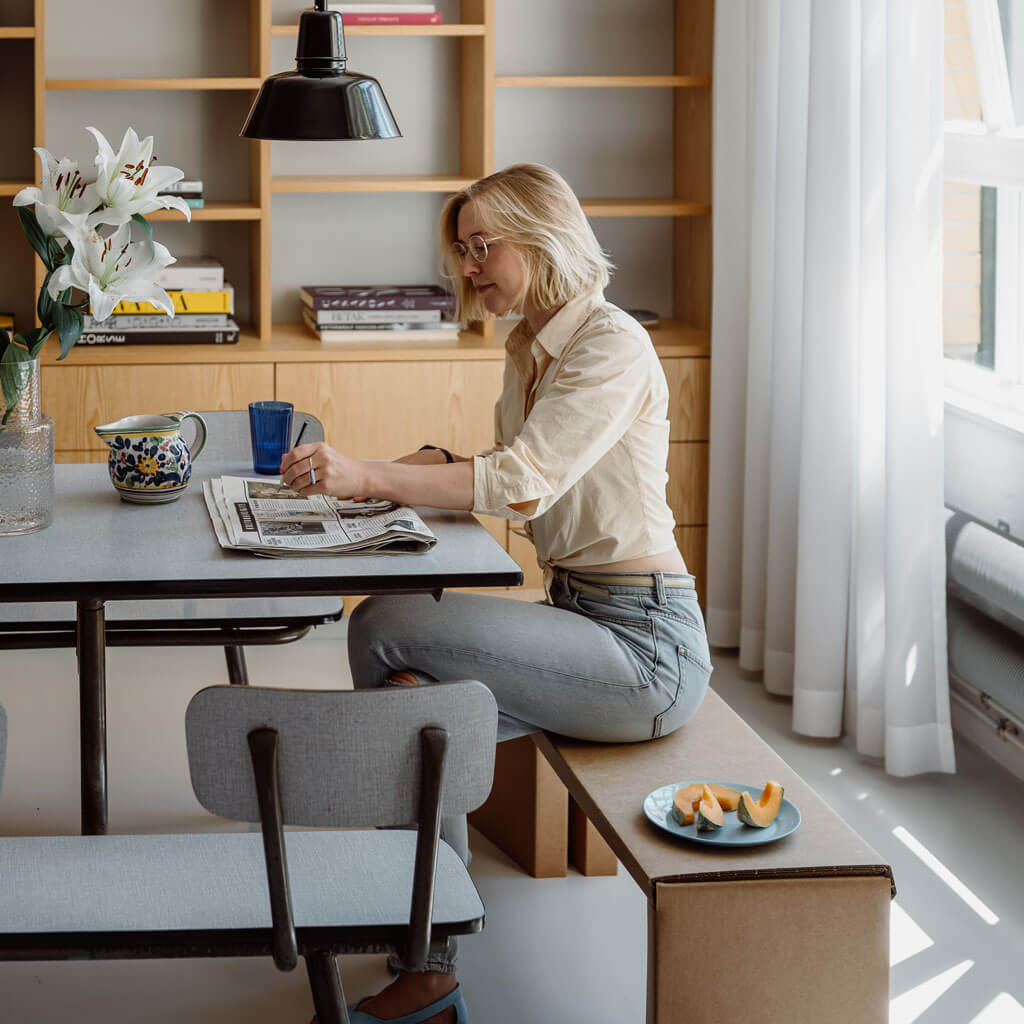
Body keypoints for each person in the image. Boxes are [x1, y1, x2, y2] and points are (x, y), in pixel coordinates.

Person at [280, 163, 713, 1024]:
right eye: (463, 251)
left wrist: (372, 473)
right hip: (582, 616)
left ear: (543, 235)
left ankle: (424, 944)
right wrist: (374, 482)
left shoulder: (611, 345)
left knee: (382, 629)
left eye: (484, 247)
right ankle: (425, 949)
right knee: (414, 703)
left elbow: (520, 481)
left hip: (644, 649)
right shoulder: (529, 346)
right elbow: (483, 464)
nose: (469, 268)